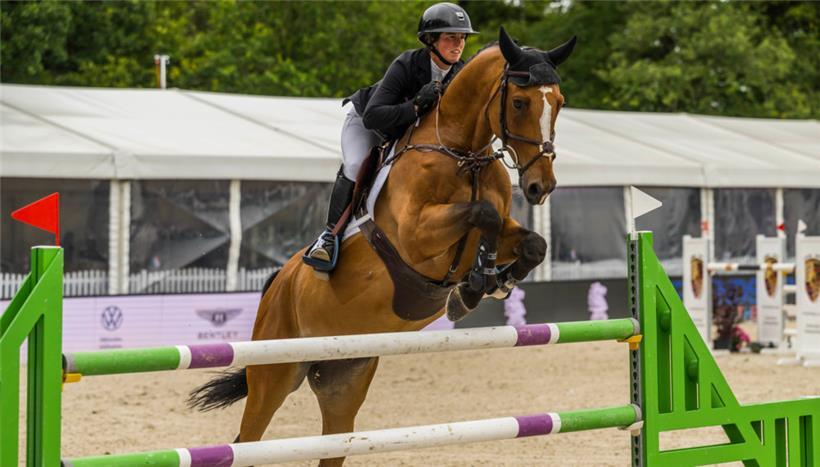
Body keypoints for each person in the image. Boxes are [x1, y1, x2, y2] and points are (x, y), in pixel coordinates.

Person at [303, 2, 478, 273]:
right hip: (366, 124)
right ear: (430, 40)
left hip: (406, 133)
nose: (458, 44)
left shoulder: (460, 74)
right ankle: (328, 237)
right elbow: (374, 116)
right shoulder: (407, 64)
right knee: (355, 164)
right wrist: (416, 106)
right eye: (450, 38)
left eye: (462, 38)